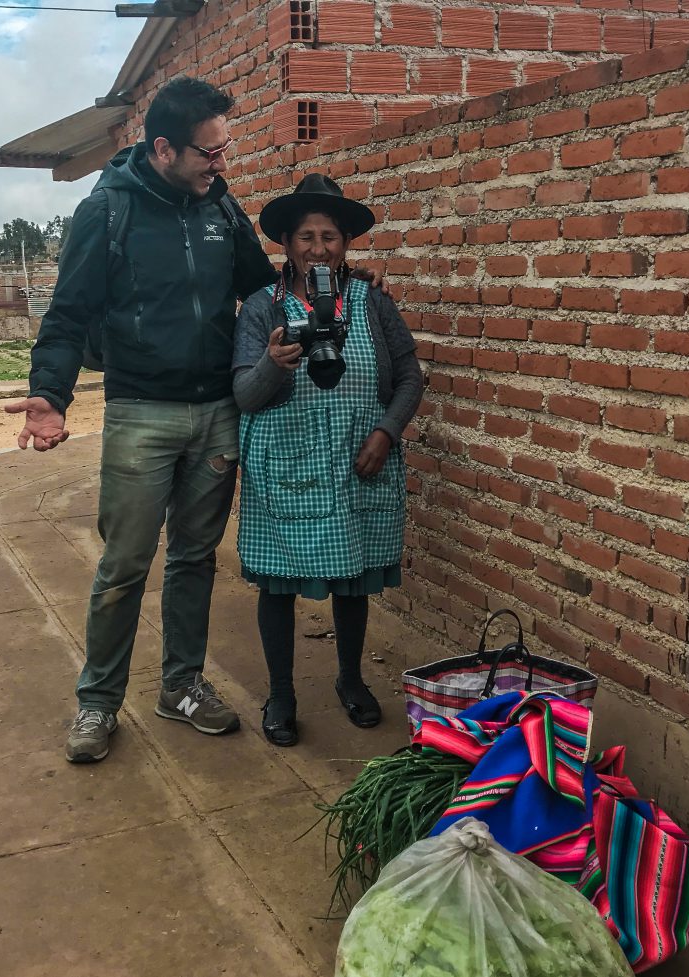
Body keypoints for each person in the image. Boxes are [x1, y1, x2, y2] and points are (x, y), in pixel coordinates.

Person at [5, 77, 280, 764]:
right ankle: (98, 702)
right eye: (208, 153)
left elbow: (261, 287)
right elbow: (67, 313)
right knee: (125, 564)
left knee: (194, 558)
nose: (221, 164)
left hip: (217, 411)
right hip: (140, 413)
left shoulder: (222, 205)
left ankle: (181, 685)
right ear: (163, 148)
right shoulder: (107, 211)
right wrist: (51, 394)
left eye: (225, 149)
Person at [231, 174, 424, 747]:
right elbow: (244, 394)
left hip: (360, 461)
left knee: (352, 582)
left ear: (347, 244)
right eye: (306, 237)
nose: (319, 248)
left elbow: (410, 376)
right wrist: (273, 364)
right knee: (278, 586)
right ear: (286, 244)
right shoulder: (262, 309)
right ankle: (282, 694)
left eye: (331, 237)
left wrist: (387, 432)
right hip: (287, 467)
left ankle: (350, 679)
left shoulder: (371, 301)